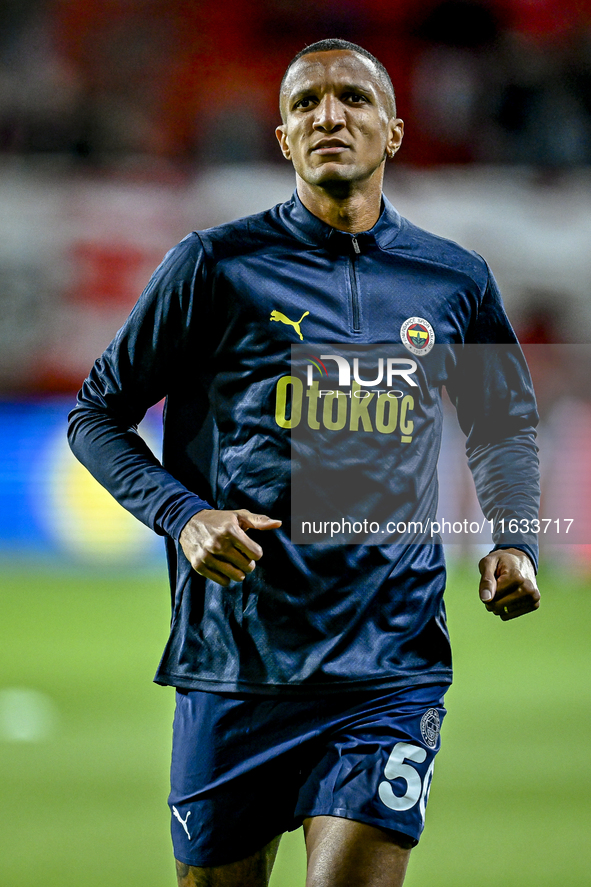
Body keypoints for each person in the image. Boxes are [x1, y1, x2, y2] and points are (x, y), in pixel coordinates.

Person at [68, 38, 541, 887]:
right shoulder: (213, 267)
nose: (329, 116)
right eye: (305, 104)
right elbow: (95, 414)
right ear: (283, 138)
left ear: (394, 131)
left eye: (353, 99)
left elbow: (502, 422)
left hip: (388, 666)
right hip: (237, 665)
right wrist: (185, 516)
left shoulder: (451, 280)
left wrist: (514, 538)